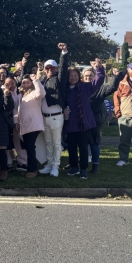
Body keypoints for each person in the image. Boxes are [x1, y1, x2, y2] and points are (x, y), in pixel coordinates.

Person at [63, 60, 105, 179]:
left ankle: (83, 169)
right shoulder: (64, 90)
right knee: (71, 147)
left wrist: (99, 69)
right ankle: (74, 167)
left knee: (83, 147)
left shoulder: (85, 87)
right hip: (70, 123)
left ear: (79, 76)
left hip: (83, 123)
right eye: (71, 76)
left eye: (75, 76)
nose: (73, 78)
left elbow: (99, 80)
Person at [84, 64, 126, 174]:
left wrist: (116, 77)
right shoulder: (81, 88)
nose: (88, 78)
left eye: (90, 76)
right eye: (86, 76)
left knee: (94, 143)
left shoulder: (100, 89)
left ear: (94, 77)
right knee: (82, 143)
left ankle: (95, 166)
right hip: (82, 119)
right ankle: (81, 165)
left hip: (94, 119)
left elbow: (112, 88)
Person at [39, 43, 68, 177]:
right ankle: (50, 164)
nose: (50, 69)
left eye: (53, 68)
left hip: (56, 115)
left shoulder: (59, 79)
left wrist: (63, 53)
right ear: (45, 69)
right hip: (44, 116)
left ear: (56, 69)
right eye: (48, 68)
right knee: (48, 142)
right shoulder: (42, 80)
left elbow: (64, 68)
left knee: (56, 142)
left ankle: (56, 165)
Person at [15, 74, 45, 178]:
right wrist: (16, 122)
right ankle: (29, 168)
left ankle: (32, 169)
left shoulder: (34, 93)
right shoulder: (20, 95)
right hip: (24, 125)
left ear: (31, 83)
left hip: (34, 124)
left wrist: (36, 80)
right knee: (27, 147)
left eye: (28, 82)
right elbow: (17, 110)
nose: (25, 84)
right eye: (23, 82)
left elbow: (42, 92)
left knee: (30, 147)